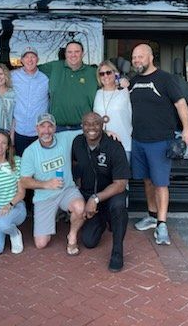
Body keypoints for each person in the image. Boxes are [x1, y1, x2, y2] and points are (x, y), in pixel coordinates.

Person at [129, 44, 188, 246]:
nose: (136, 60)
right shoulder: (133, 81)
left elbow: (181, 104)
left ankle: (162, 224)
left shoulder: (166, 79)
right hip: (138, 140)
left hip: (160, 141)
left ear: (150, 57)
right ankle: (151, 216)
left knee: (160, 183)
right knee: (147, 181)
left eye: (140, 56)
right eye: (134, 57)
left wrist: (187, 129)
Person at [72, 112, 130, 272]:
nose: (91, 127)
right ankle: (104, 221)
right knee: (89, 242)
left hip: (110, 195)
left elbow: (120, 184)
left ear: (103, 125)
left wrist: (95, 198)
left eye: (96, 123)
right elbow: (74, 165)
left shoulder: (114, 145)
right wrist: (79, 194)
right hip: (89, 196)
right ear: (82, 126)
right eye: (87, 124)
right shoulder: (77, 142)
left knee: (119, 207)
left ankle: (117, 251)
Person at [20, 113, 85, 255]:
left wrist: (107, 131)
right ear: (37, 129)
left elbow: (88, 130)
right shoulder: (30, 151)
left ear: (55, 128)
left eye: (50, 126)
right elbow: (24, 181)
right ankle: (53, 217)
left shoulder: (65, 138)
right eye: (42, 126)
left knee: (80, 208)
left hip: (66, 190)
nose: (46, 131)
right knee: (41, 244)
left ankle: (72, 236)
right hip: (45, 197)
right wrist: (46, 184)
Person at [39, 40, 98, 131]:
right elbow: (31, 69)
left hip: (84, 128)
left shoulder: (93, 72)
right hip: (57, 128)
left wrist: (120, 80)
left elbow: (108, 79)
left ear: (82, 53)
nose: (73, 55)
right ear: (65, 54)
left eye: (77, 52)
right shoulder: (54, 67)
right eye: (69, 52)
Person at [93, 60, 133, 163]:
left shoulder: (125, 91)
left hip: (124, 143)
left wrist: (124, 82)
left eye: (108, 72)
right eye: (101, 74)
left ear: (115, 73)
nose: (105, 76)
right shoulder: (96, 93)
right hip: (101, 145)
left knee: (121, 179)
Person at [11, 46, 49, 156]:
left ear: (37, 60)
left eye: (33, 56)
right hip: (19, 131)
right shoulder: (13, 76)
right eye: (26, 57)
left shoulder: (45, 79)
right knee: (21, 164)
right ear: (22, 60)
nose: (30, 60)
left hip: (39, 132)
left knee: (38, 166)